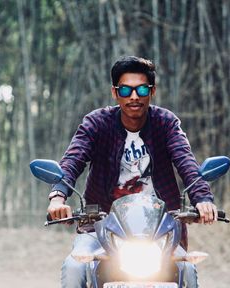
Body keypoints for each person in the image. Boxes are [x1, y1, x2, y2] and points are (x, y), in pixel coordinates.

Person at [47, 55, 217, 287]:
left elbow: (185, 161)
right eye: (126, 90)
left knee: (185, 267)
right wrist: (58, 198)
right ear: (115, 93)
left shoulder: (165, 123)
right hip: (101, 227)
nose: (134, 96)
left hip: (159, 231)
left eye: (141, 89)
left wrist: (203, 199)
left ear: (152, 91)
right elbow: (73, 160)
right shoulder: (97, 124)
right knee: (75, 266)